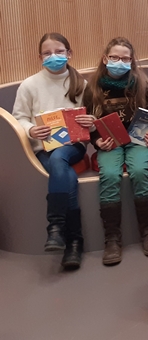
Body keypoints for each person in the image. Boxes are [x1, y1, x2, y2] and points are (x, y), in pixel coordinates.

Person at [12, 33, 94, 269]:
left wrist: (90, 121)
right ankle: (74, 243)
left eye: (59, 52)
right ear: (40, 57)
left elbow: (91, 117)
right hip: (43, 148)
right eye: (47, 53)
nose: (53, 56)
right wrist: (31, 130)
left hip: (72, 146)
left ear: (69, 54)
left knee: (60, 158)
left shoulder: (81, 84)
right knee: (65, 175)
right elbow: (19, 118)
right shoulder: (29, 85)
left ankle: (56, 226)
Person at [83, 37, 148, 266]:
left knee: (139, 172)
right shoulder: (93, 88)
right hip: (110, 143)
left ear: (132, 61)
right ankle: (112, 238)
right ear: (105, 59)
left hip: (137, 141)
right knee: (109, 175)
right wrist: (97, 142)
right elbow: (89, 124)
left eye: (125, 58)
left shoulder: (142, 84)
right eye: (114, 57)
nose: (120, 62)